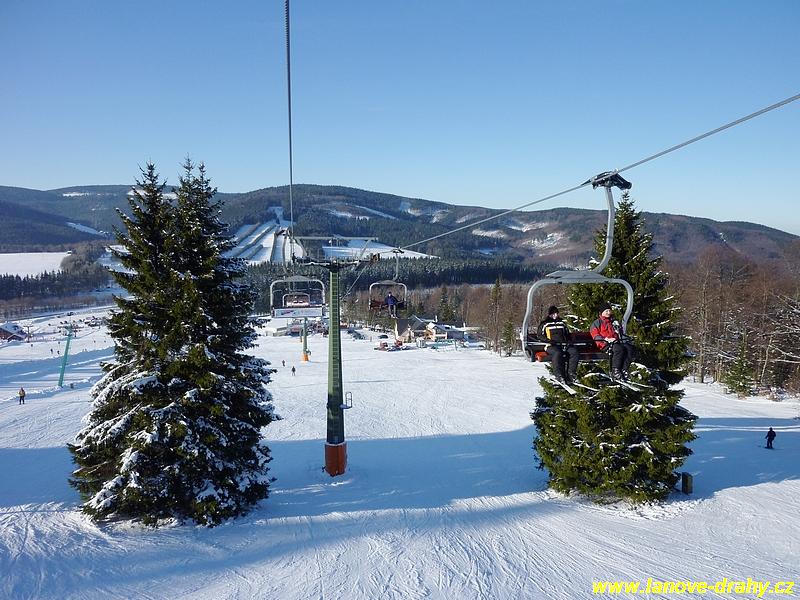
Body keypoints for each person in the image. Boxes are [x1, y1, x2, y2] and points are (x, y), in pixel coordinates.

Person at [590, 303, 636, 381]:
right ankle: (616, 371)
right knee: (619, 349)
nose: (608, 313)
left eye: (609, 311)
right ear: (601, 312)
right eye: (606, 311)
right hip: (604, 344)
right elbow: (595, 335)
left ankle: (624, 369)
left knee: (629, 348)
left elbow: (619, 334)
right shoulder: (597, 323)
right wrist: (605, 339)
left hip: (615, 342)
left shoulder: (613, 322)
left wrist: (620, 334)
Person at [537, 305, 579, 383]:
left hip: (563, 345)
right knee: (557, 353)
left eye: (556, 313)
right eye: (553, 314)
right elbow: (539, 335)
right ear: (550, 314)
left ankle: (571, 374)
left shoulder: (562, 323)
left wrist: (569, 341)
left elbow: (567, 334)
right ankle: (559, 375)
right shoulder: (545, 324)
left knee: (574, 352)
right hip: (551, 346)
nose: (555, 315)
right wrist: (548, 341)